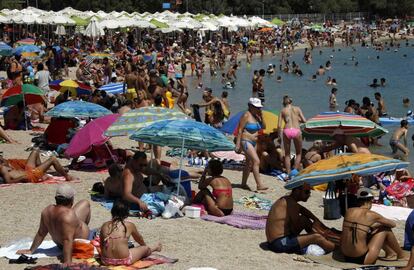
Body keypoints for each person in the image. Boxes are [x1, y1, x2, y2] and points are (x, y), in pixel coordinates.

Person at [16, 185, 92, 264]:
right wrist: (67, 261)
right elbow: (67, 240)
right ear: (71, 200)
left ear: (56, 199)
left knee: (84, 204)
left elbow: (41, 233)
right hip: (77, 245)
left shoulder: (47, 211)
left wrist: (31, 250)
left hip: (60, 244)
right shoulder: (68, 216)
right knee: (86, 203)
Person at [340, 188, 408, 265]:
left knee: (368, 231)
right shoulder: (372, 215)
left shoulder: (349, 211)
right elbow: (392, 224)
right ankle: (401, 255)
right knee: (384, 229)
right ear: (370, 201)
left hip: (345, 256)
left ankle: (390, 253)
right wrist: (377, 224)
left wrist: (372, 227)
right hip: (363, 258)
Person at [266, 183, 335, 254]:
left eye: (309, 192)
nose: (309, 195)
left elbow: (303, 210)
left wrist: (316, 220)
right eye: (306, 192)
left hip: (273, 241)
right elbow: (294, 227)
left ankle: (324, 238)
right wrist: (317, 232)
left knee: (304, 219)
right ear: (297, 191)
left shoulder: (287, 199)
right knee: (316, 237)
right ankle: (334, 247)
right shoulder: (292, 204)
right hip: (279, 243)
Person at [100, 199, 161, 266]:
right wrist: (143, 246)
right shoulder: (129, 225)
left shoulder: (104, 225)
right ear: (126, 213)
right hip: (124, 261)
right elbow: (139, 239)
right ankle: (155, 248)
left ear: (112, 211)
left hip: (105, 261)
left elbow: (101, 244)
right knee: (145, 249)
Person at [235, 98, 268, 192]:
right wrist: (237, 144)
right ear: (250, 106)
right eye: (256, 107)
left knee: (249, 163)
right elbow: (240, 130)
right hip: (246, 140)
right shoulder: (246, 115)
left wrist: (262, 116)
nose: (258, 109)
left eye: (259, 107)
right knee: (256, 161)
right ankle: (259, 185)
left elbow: (264, 127)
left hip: (254, 142)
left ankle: (243, 183)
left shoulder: (257, 116)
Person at [0, 149, 77, 184]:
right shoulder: (2, 168)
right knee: (53, 159)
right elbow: (8, 181)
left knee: (35, 150)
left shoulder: (4, 164)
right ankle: (67, 177)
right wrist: (21, 178)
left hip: (28, 171)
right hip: (31, 175)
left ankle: (43, 174)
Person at [278, 96, 306, 177]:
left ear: (283, 102)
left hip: (287, 131)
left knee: (287, 154)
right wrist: (297, 120)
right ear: (291, 101)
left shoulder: (282, 110)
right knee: (299, 153)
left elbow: (279, 125)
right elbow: (304, 120)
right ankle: (294, 172)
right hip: (296, 130)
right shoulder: (297, 108)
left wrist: (279, 136)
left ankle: (288, 173)